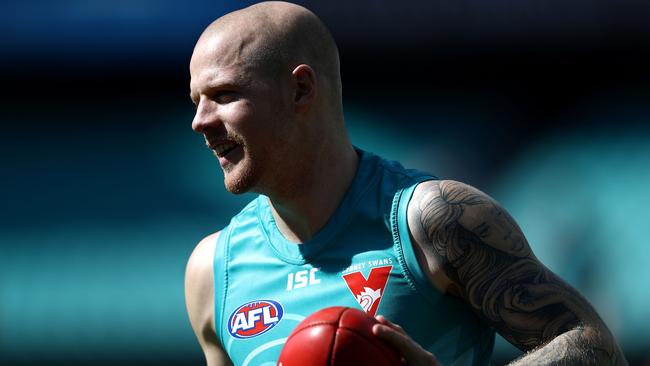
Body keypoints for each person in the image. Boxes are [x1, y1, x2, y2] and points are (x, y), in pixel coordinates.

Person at [184, 2, 627, 365]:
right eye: (196, 101)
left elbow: (594, 347)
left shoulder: (435, 220)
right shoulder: (212, 270)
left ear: (301, 90)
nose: (200, 121)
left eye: (224, 95)